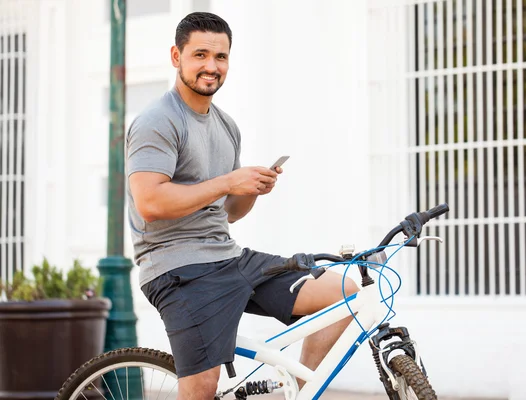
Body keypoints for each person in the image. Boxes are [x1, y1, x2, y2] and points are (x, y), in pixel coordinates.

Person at [126, 12, 359, 400]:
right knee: (203, 385)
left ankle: (297, 393)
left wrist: (250, 190)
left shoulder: (226, 126)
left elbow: (229, 212)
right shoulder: (157, 120)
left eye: (221, 57)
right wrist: (228, 181)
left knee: (345, 292)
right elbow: (150, 202)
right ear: (175, 56)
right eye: (200, 55)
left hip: (229, 257)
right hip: (178, 266)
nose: (211, 66)